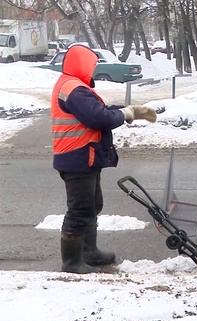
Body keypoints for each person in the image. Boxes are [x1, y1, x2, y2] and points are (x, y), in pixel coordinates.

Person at [51, 44, 157, 273]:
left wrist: (129, 110)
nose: (93, 69)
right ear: (82, 64)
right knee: (79, 210)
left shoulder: (74, 86)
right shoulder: (73, 88)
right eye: (92, 64)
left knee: (92, 205)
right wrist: (125, 114)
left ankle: (89, 252)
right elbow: (98, 117)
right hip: (76, 157)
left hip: (84, 156)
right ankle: (71, 262)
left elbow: (100, 109)